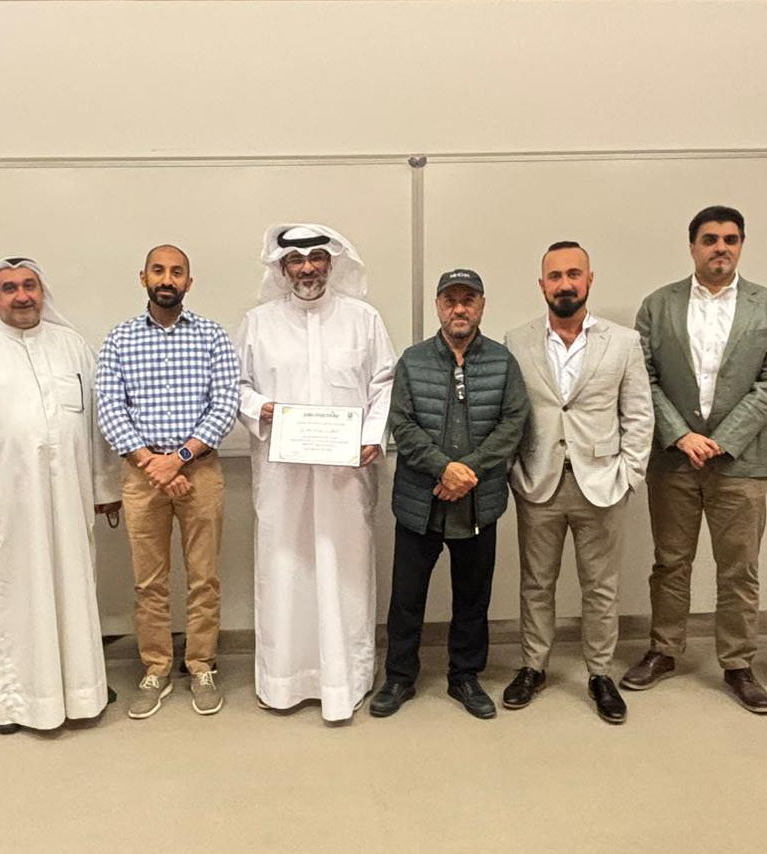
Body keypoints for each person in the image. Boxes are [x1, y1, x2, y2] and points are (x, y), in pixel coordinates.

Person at [0, 257, 122, 734]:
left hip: (70, 500)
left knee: (75, 594)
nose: (22, 295)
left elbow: (96, 425)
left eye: (29, 285)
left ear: (42, 291)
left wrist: (104, 487)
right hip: (4, 507)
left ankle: (84, 693)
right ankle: (21, 704)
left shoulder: (72, 346)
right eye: (9, 288)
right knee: (17, 601)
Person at [622, 206, 767, 714]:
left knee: (739, 568)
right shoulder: (659, 305)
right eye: (711, 239)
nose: (721, 247)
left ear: (741, 245)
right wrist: (681, 436)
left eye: (731, 239)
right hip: (675, 462)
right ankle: (663, 649)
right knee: (670, 562)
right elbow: (643, 377)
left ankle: (738, 663)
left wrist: (722, 439)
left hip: (740, 463)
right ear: (693, 245)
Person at [236, 223, 396, 721]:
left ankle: (346, 681)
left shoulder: (363, 320)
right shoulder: (258, 323)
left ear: (331, 262)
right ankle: (283, 682)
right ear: (282, 267)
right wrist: (260, 408)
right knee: (284, 571)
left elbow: (385, 384)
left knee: (344, 571)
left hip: (344, 478)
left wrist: (372, 436)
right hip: (281, 481)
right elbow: (235, 385)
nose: (307, 268)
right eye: (296, 260)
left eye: (316, 258)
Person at [503, 241, 653, 725]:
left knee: (601, 588)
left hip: (603, 483)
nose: (564, 284)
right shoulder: (517, 341)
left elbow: (639, 414)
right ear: (541, 284)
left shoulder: (623, 342)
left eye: (573, 274)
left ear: (589, 279)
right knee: (536, 584)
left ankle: (600, 674)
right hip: (538, 483)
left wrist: (629, 474)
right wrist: (514, 471)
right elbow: (510, 414)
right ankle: (533, 666)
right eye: (555, 276)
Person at [370, 269, 528, 720]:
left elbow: (513, 423)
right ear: (438, 306)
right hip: (420, 501)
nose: (459, 309)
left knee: (473, 596)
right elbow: (401, 423)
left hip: (478, 502)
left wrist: (467, 472)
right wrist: (443, 468)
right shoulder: (413, 360)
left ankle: (465, 676)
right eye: (450, 300)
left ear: (481, 305)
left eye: (468, 300)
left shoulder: (502, 362)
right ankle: (400, 676)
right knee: (407, 597)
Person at [96, 245, 241, 718]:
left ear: (188, 283)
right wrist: (151, 463)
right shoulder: (120, 339)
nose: (167, 279)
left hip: (200, 470)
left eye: (177, 272)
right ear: (143, 277)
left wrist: (177, 459)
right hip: (142, 475)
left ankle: (201, 665)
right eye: (158, 270)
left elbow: (225, 404)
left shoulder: (212, 336)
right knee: (149, 582)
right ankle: (155, 668)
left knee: (204, 577)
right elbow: (110, 408)